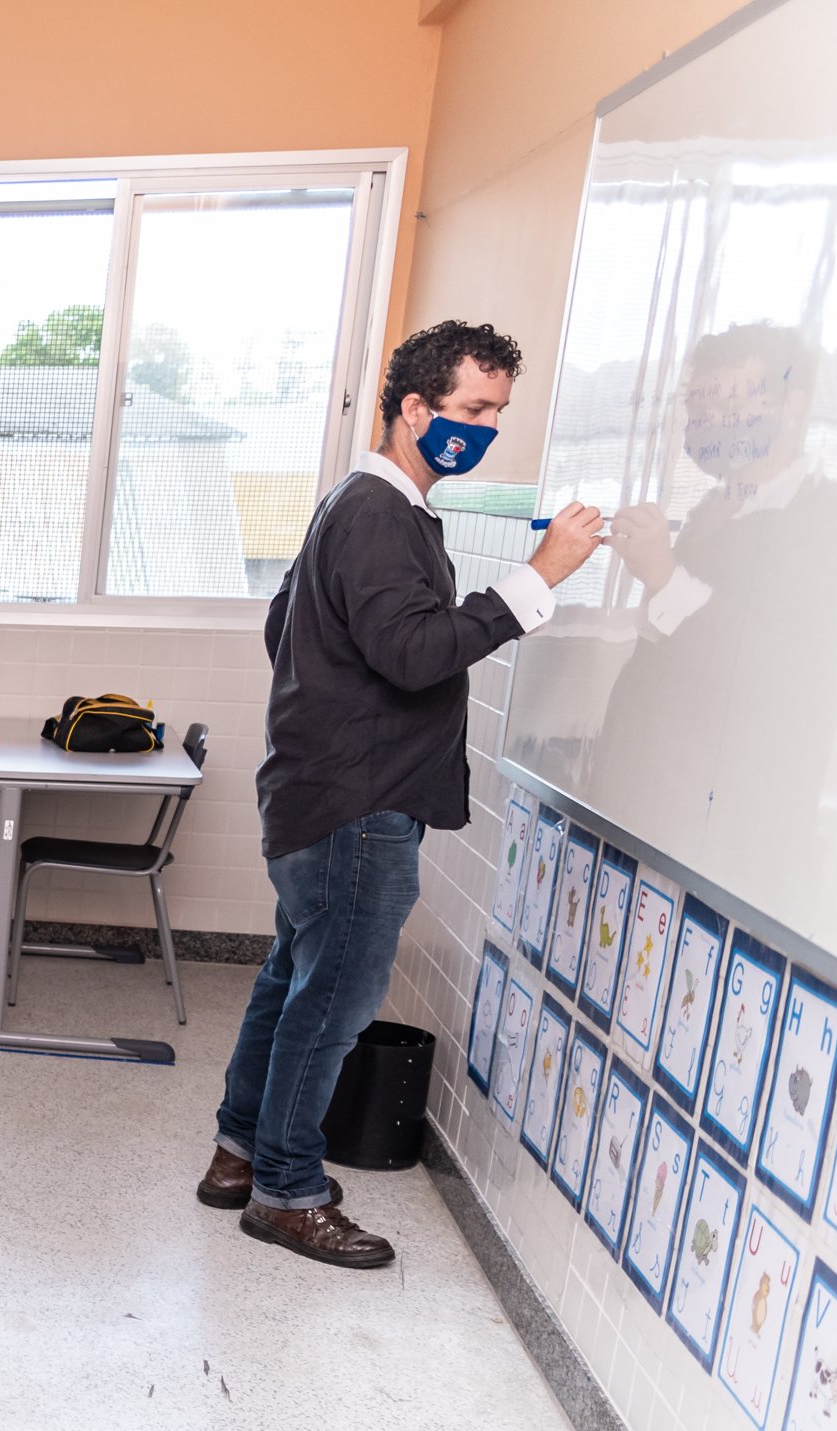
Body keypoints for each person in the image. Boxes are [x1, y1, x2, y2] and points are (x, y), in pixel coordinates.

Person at [206, 320, 605, 1267]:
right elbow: (416, 654)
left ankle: (239, 1153)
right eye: (473, 408)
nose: (486, 427)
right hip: (357, 805)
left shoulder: (358, 501)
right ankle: (285, 1191)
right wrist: (539, 580)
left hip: (317, 791)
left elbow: (285, 626)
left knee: (292, 978)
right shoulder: (384, 513)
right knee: (334, 998)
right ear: (416, 409)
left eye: (498, 412)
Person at [593, 322, 837, 913]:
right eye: (700, 402)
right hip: (651, 815)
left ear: (792, 407)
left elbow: (774, 664)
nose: (710, 420)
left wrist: (665, 575)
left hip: (728, 841)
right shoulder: (714, 509)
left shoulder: (828, 520)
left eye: (731, 398)